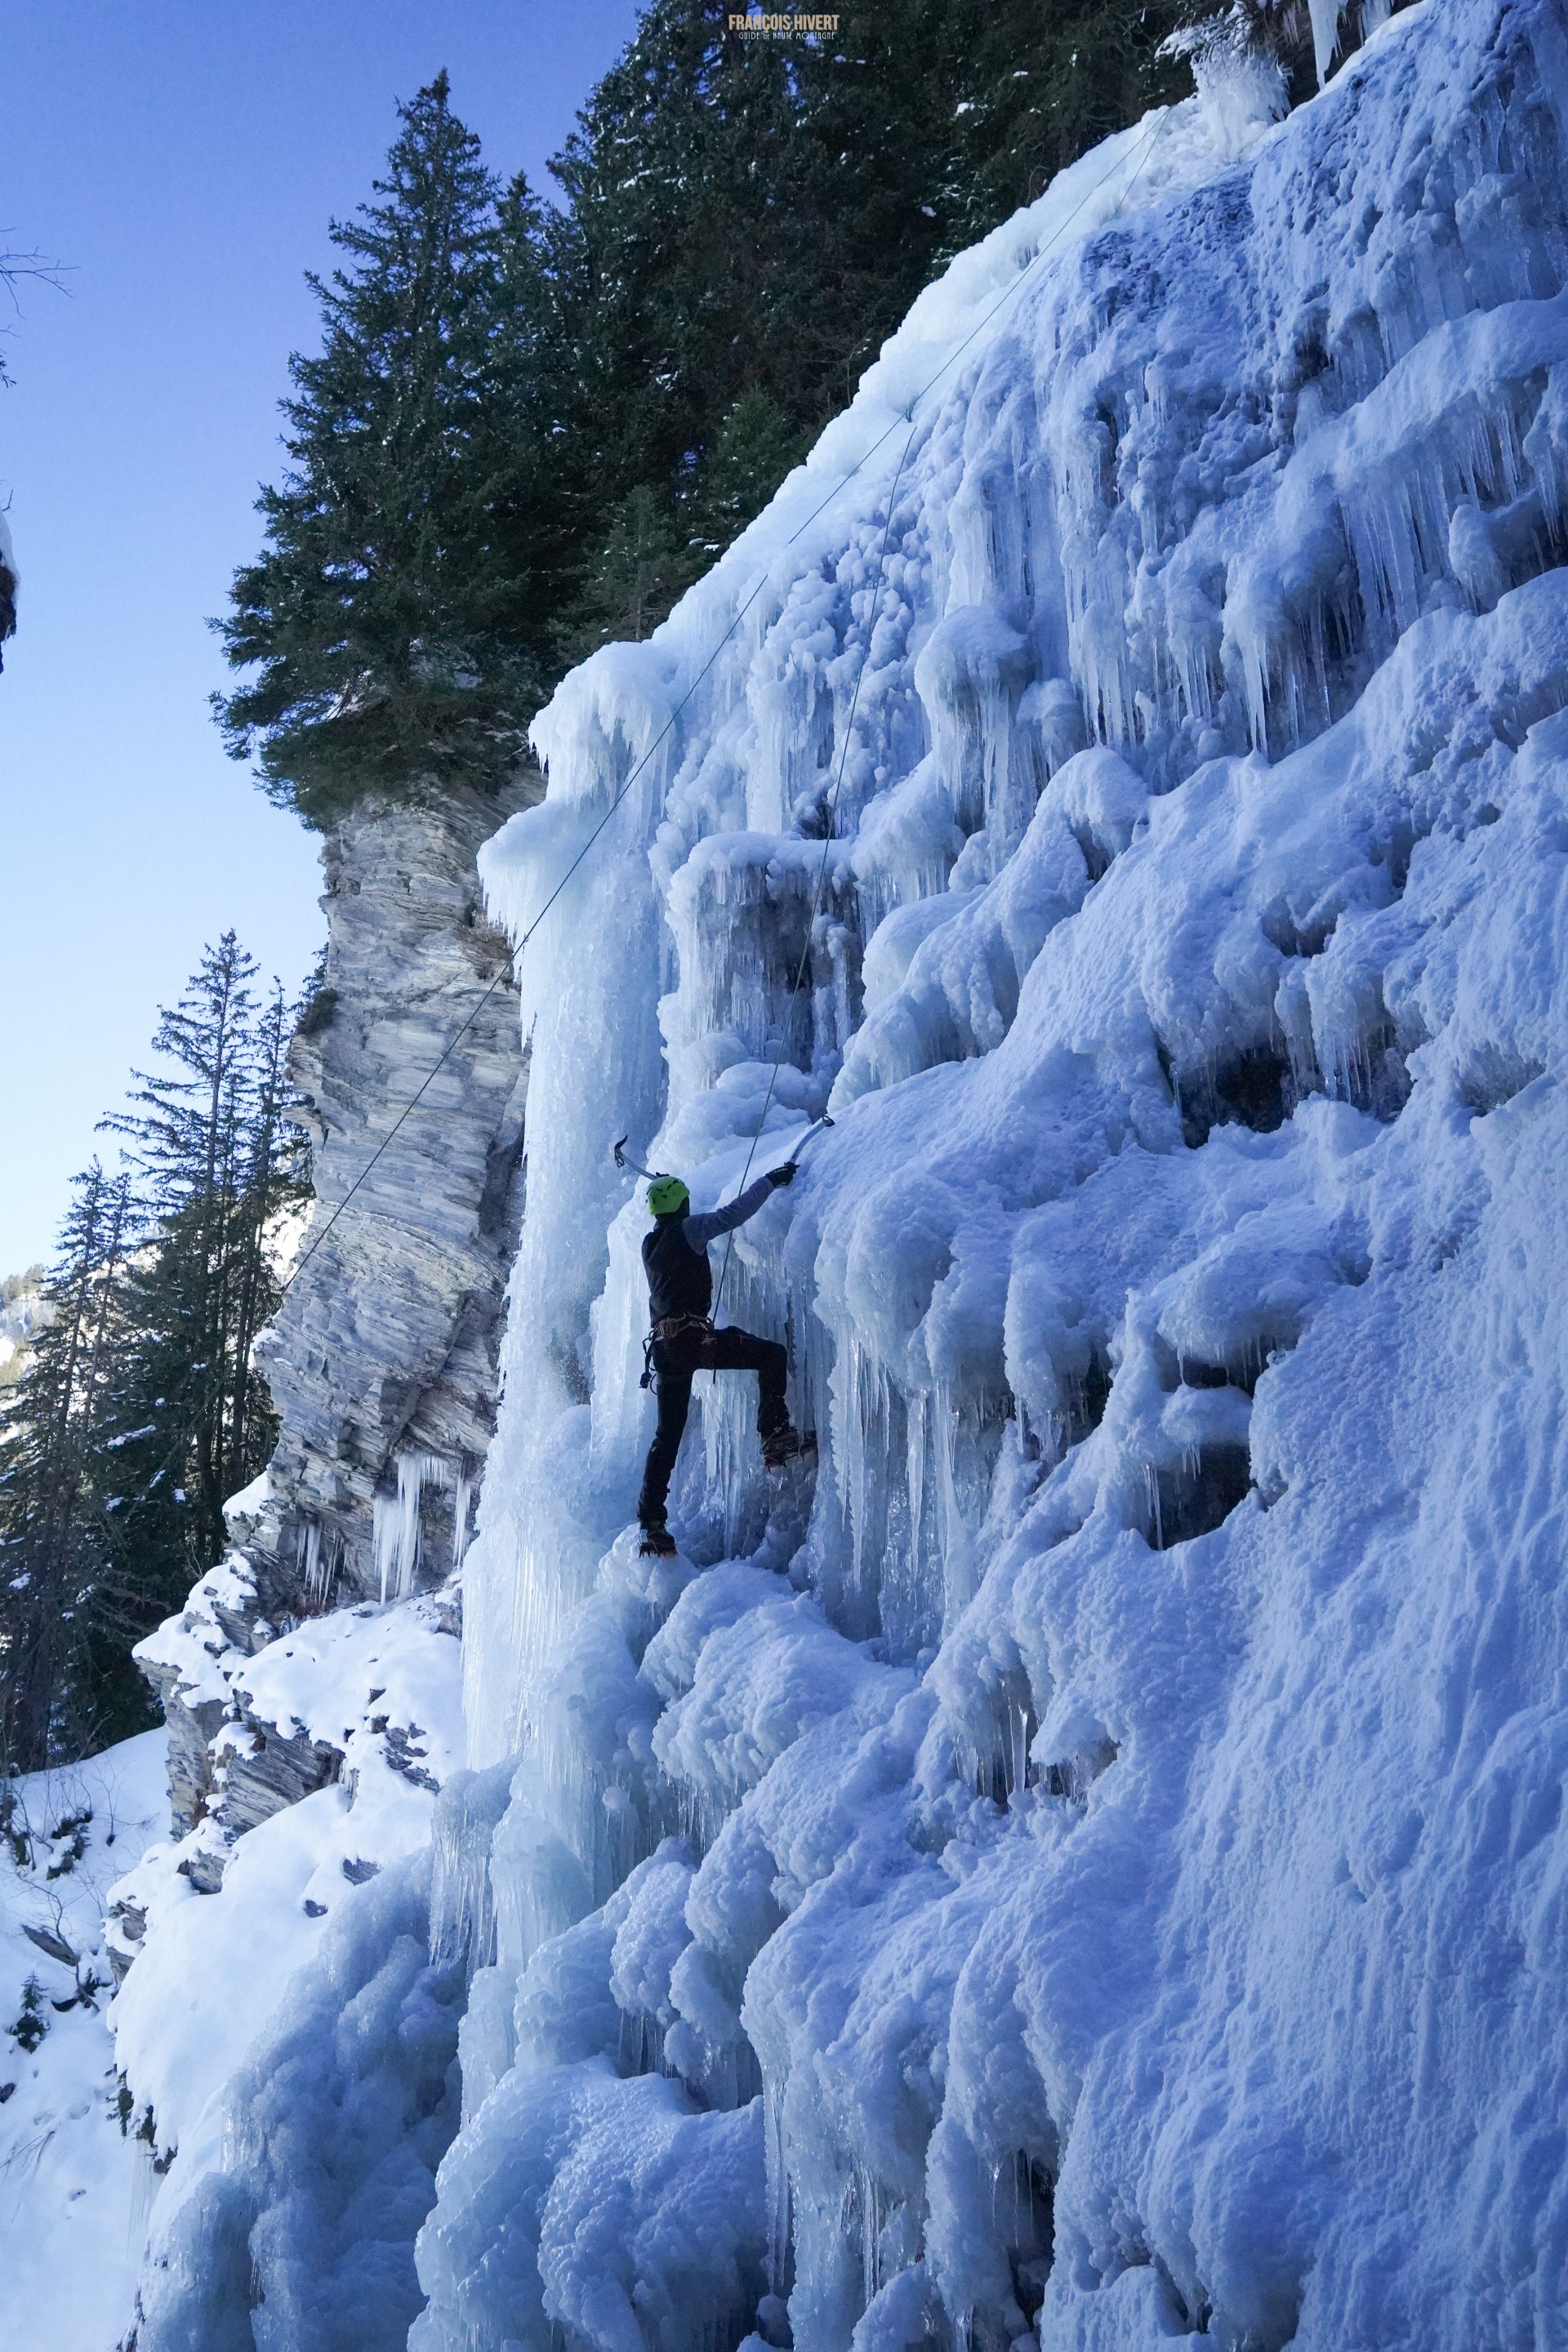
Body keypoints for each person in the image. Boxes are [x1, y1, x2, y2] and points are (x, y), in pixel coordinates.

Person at [635, 1163, 813, 1556]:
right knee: (771, 1355)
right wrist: (772, 1180)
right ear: (682, 1205)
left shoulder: (649, 1244)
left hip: (665, 1352)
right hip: (695, 1342)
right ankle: (775, 1433)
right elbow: (733, 1215)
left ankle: (651, 1522)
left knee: (666, 1436)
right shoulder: (691, 1230)